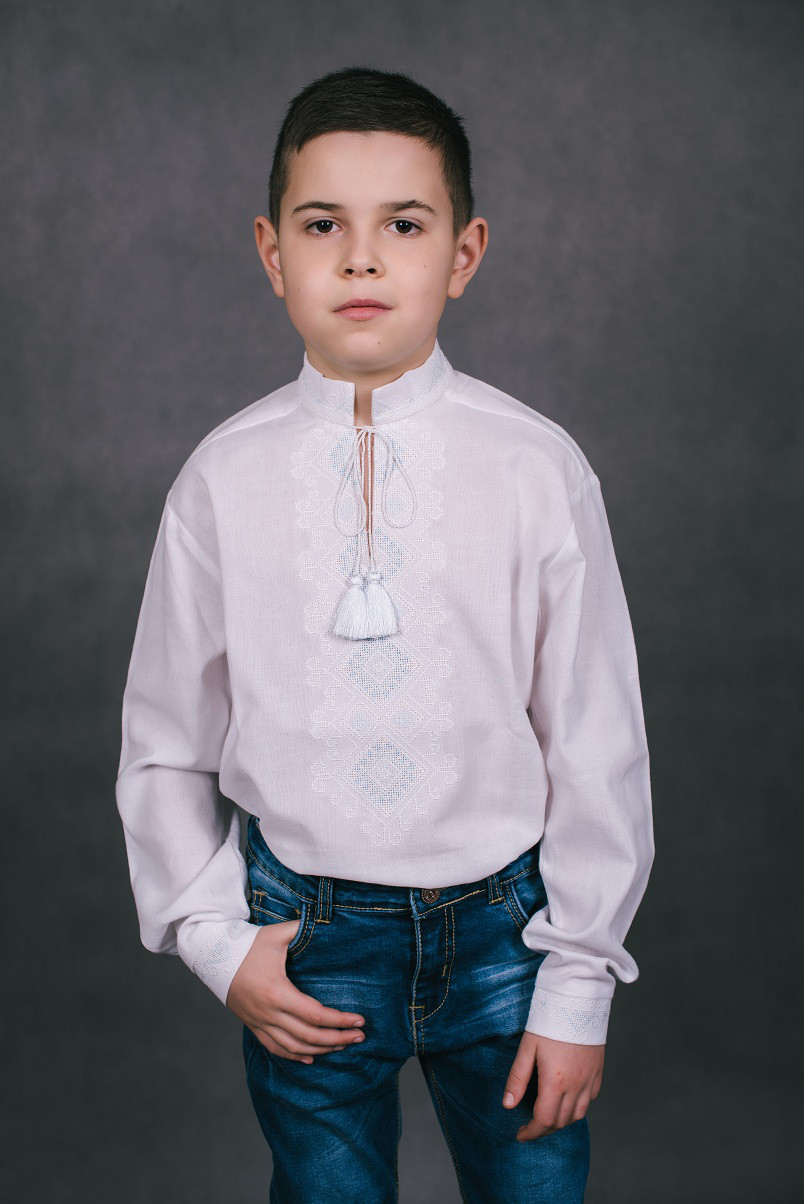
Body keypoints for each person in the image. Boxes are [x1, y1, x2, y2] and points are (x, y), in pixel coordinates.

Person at [115, 64, 655, 1202]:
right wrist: (214, 939)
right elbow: (165, 738)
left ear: (463, 252)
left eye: (403, 224)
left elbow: (597, 738)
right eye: (324, 226)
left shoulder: (535, 466)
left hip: (509, 937)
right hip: (306, 942)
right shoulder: (220, 478)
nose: (361, 260)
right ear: (273, 252)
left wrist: (577, 985)